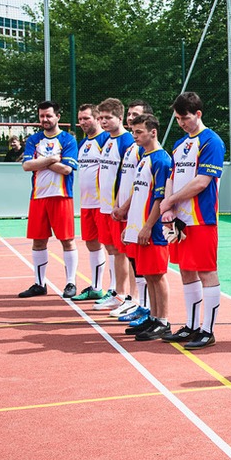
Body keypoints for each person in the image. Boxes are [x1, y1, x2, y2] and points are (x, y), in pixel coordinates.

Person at [159, 92, 226, 350]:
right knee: (186, 270)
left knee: (206, 271)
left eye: (185, 118)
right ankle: (191, 325)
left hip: (201, 218)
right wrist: (168, 207)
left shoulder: (212, 142)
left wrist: (170, 200)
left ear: (198, 114)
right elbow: (172, 176)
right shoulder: (178, 144)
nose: (181, 123)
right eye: (177, 118)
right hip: (180, 219)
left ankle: (207, 330)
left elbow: (202, 181)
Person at [18, 101, 79, 298]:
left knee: (67, 240)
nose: (44, 119)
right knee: (38, 241)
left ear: (57, 117)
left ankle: (71, 283)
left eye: (48, 116)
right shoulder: (34, 140)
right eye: (42, 116)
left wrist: (41, 162)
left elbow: (67, 169)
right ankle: (39, 283)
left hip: (61, 196)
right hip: (38, 197)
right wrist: (52, 159)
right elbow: (27, 166)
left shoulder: (68, 140)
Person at [120, 113, 173, 341]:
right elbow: (139, 193)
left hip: (154, 229)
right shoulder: (144, 157)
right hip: (140, 226)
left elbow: (160, 199)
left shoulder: (161, 160)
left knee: (158, 275)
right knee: (149, 275)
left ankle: (163, 321)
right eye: (133, 132)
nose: (135, 136)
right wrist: (131, 225)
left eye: (139, 132)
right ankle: (153, 316)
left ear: (153, 132)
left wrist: (148, 226)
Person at [93, 98, 138, 313]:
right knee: (112, 249)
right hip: (105, 207)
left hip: (119, 208)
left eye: (108, 118)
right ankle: (116, 290)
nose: (103, 121)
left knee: (124, 252)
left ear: (120, 118)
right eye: (100, 117)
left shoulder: (127, 141)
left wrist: (124, 205)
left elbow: (130, 176)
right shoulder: (107, 140)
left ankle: (127, 295)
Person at [111, 101, 151, 321]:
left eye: (136, 115)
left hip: (137, 213)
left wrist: (126, 207)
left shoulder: (147, 152)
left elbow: (141, 185)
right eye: (129, 114)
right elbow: (125, 180)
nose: (130, 118)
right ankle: (136, 301)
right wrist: (118, 203)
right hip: (127, 211)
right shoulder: (131, 149)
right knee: (132, 257)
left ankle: (140, 302)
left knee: (140, 261)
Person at [71, 104, 113, 304]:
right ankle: (96, 287)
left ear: (97, 119)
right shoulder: (82, 143)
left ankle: (114, 289)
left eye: (86, 118)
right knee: (91, 244)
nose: (82, 122)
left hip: (103, 204)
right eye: (80, 119)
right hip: (87, 204)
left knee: (111, 246)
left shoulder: (106, 139)